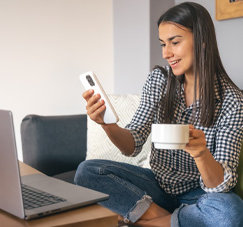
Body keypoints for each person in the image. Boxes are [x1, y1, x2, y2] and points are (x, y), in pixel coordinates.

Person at [74, 2, 243, 226]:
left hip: (199, 194)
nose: (166, 53)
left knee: (229, 212)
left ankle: (140, 221)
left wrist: (201, 153)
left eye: (174, 42)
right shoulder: (159, 80)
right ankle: (169, 220)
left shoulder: (232, 101)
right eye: (163, 44)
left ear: (202, 41)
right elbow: (131, 146)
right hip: (157, 188)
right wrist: (107, 123)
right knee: (88, 171)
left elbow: (221, 185)